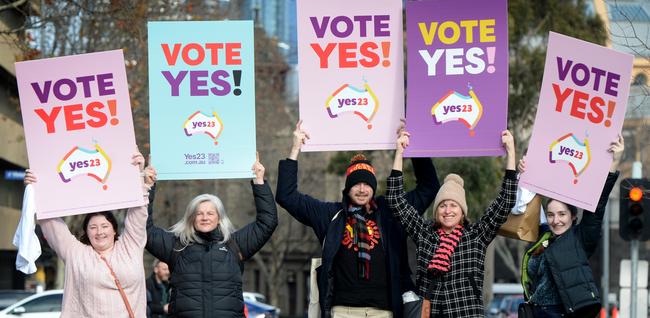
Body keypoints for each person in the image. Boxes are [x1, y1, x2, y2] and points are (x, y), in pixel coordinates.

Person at [276, 121, 440, 318]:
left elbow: (428, 188)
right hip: (342, 311)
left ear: (373, 187)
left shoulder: (392, 211)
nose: (362, 189)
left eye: (367, 184)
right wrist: (295, 148)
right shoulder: (330, 215)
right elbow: (287, 196)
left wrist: (411, 146)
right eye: (356, 184)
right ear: (347, 188)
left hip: (384, 311)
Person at [386, 129, 518, 317]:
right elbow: (395, 200)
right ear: (437, 211)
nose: (448, 211)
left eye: (453, 205)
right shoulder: (425, 235)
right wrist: (400, 152)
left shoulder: (476, 236)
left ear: (462, 211)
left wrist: (511, 152)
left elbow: (506, 200)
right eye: (442, 206)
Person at [145, 154, 278, 318]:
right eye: (199, 213)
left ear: (219, 218)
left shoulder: (234, 245)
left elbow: (267, 222)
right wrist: (147, 187)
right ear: (191, 217)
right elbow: (144, 230)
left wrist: (259, 182)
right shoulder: (177, 245)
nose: (205, 217)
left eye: (210, 213)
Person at [24, 152, 153, 318]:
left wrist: (140, 178)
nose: (99, 232)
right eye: (93, 227)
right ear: (86, 232)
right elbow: (50, 221)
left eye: (105, 226)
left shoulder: (130, 246)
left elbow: (138, 214)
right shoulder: (75, 253)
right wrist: (36, 189)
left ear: (114, 230)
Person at [519, 135, 624, 318]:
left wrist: (612, 165)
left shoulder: (580, 238)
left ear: (573, 216)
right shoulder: (543, 236)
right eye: (551, 215)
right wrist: (523, 173)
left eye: (562, 214)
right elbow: (523, 202)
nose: (556, 220)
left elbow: (597, 207)